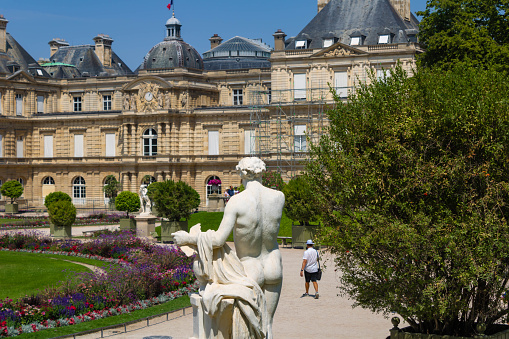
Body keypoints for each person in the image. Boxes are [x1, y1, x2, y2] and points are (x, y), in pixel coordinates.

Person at [173, 157, 284, 339]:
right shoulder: (279, 197)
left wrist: (188, 238)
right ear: (262, 171)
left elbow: (217, 240)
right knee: (268, 326)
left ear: (241, 174)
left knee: (250, 330)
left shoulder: (236, 201)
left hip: (250, 267)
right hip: (274, 264)